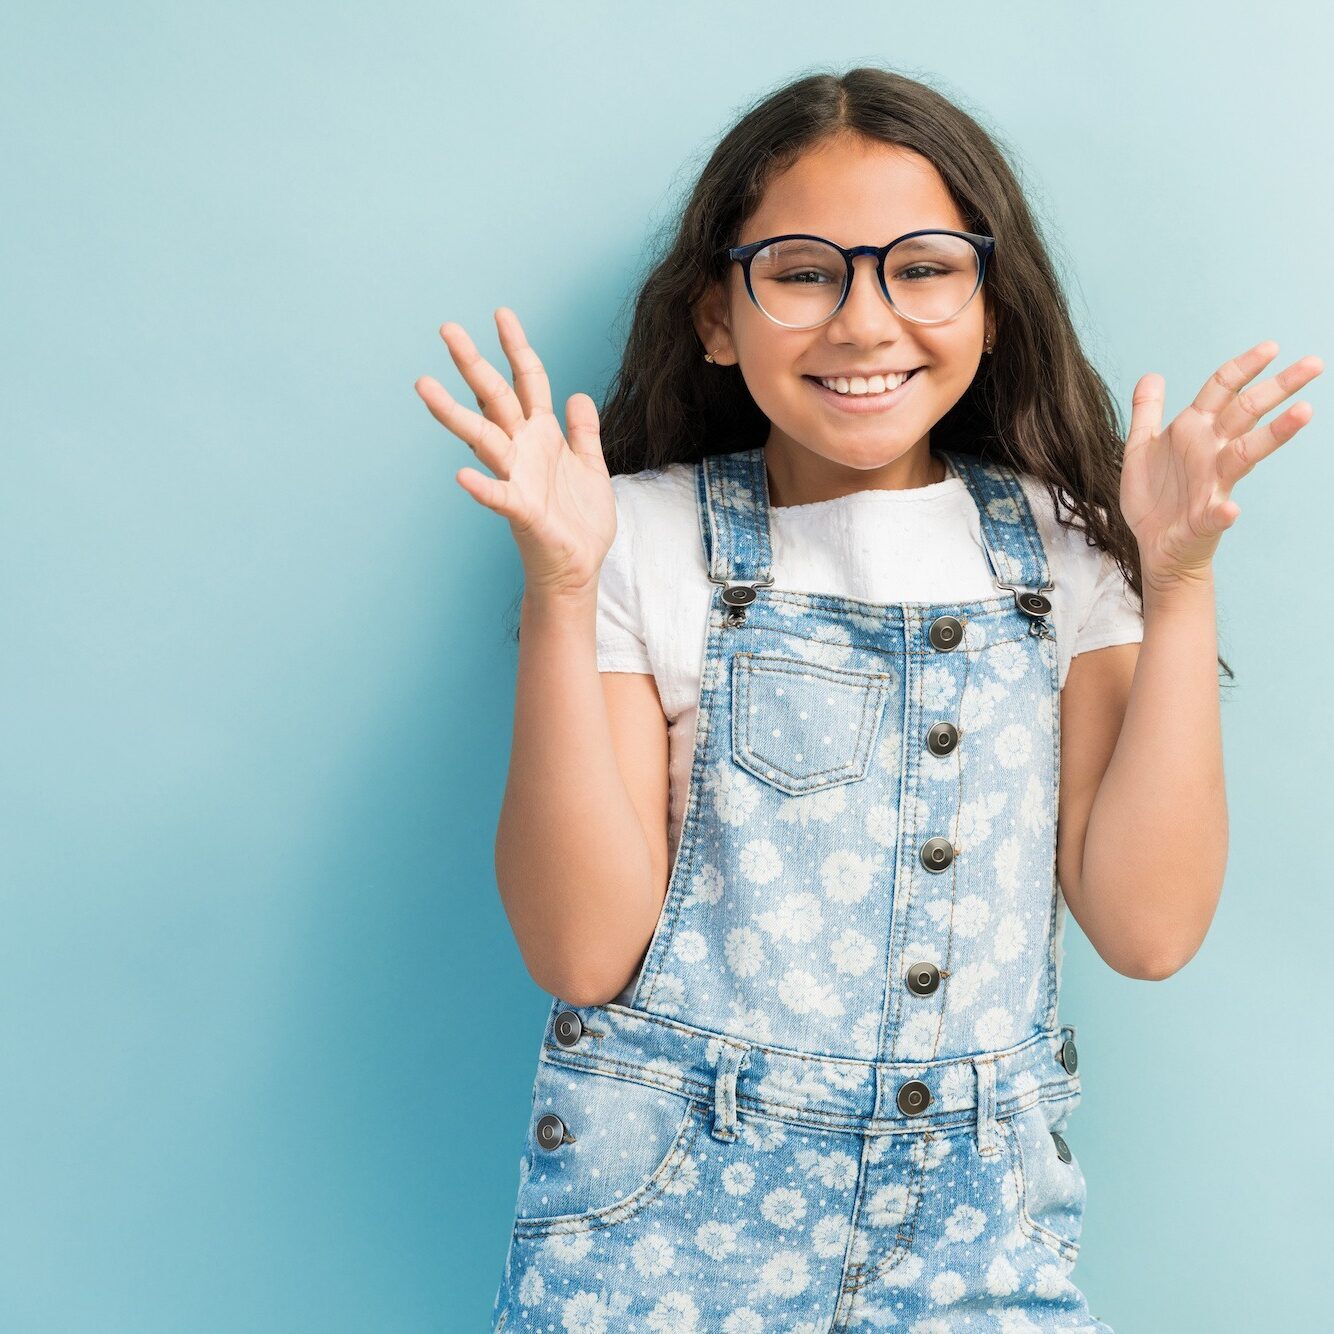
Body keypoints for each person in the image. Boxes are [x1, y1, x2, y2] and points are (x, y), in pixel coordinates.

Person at [415, 66, 1321, 1333]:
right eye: (801, 271)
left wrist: (1174, 585)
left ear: (991, 306)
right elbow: (579, 951)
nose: (862, 320)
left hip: (974, 1221)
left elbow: (1147, 928)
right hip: (664, 1223)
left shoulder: (1065, 552)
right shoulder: (637, 537)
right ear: (715, 317)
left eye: (921, 267)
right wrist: (564, 588)